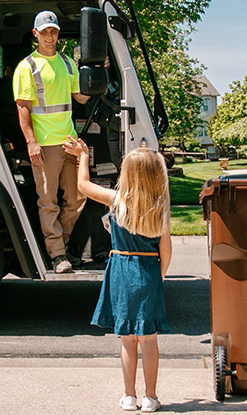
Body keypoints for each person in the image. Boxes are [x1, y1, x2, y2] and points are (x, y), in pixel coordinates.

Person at [63, 137, 172, 413]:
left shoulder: (116, 200)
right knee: (148, 339)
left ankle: (129, 396)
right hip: (148, 269)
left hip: (121, 269)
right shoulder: (159, 208)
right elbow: (166, 248)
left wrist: (83, 156)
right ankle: (150, 397)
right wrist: (159, 276)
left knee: (127, 339)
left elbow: (83, 186)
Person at [13, 10, 90, 273]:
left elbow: (81, 98)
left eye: (53, 31)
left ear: (58, 33)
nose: (49, 36)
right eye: (44, 32)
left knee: (78, 197)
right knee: (48, 202)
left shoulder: (68, 63)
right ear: (35, 34)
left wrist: (97, 72)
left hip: (69, 142)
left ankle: (61, 246)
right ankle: (57, 255)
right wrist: (31, 142)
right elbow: (23, 109)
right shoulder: (27, 67)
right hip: (44, 145)